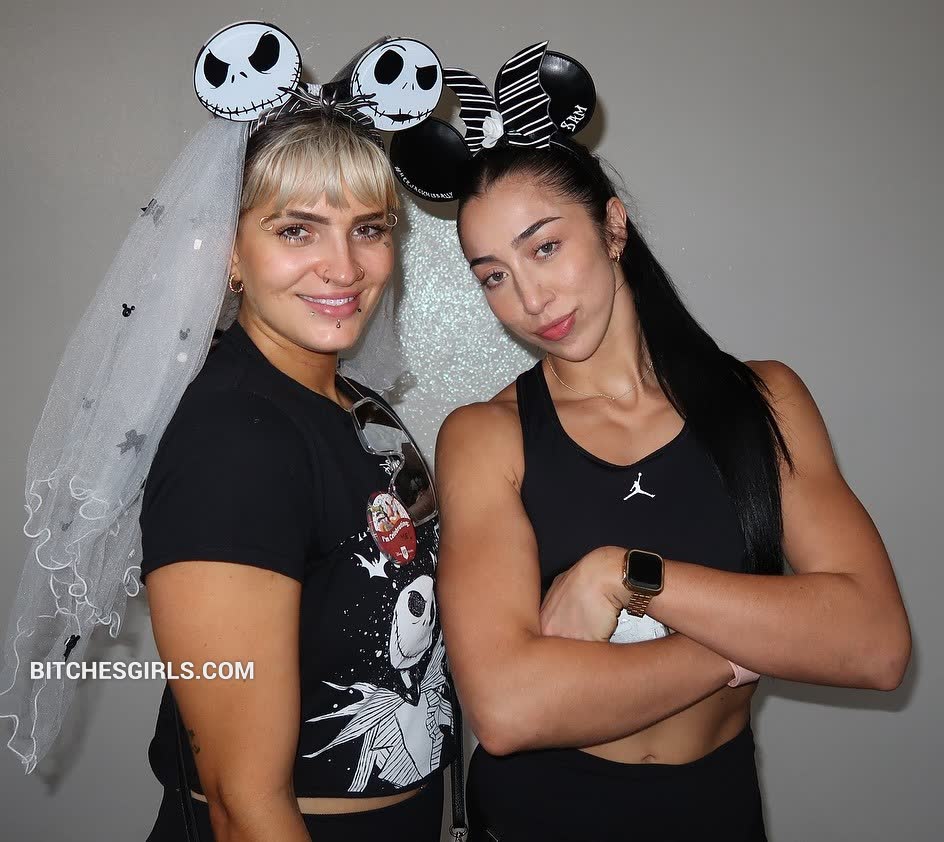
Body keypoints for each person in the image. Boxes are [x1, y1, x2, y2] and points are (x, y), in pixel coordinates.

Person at [0, 21, 456, 842]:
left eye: (369, 227)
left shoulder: (356, 408)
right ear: (230, 254)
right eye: (296, 229)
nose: (345, 267)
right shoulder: (237, 440)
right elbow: (245, 805)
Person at [432, 101, 912, 841]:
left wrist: (624, 574)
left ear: (613, 227)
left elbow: (875, 643)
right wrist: (741, 647)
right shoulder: (486, 437)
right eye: (493, 276)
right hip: (543, 814)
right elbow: (507, 708)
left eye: (545, 248)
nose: (529, 299)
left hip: (715, 812)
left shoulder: (764, 401)